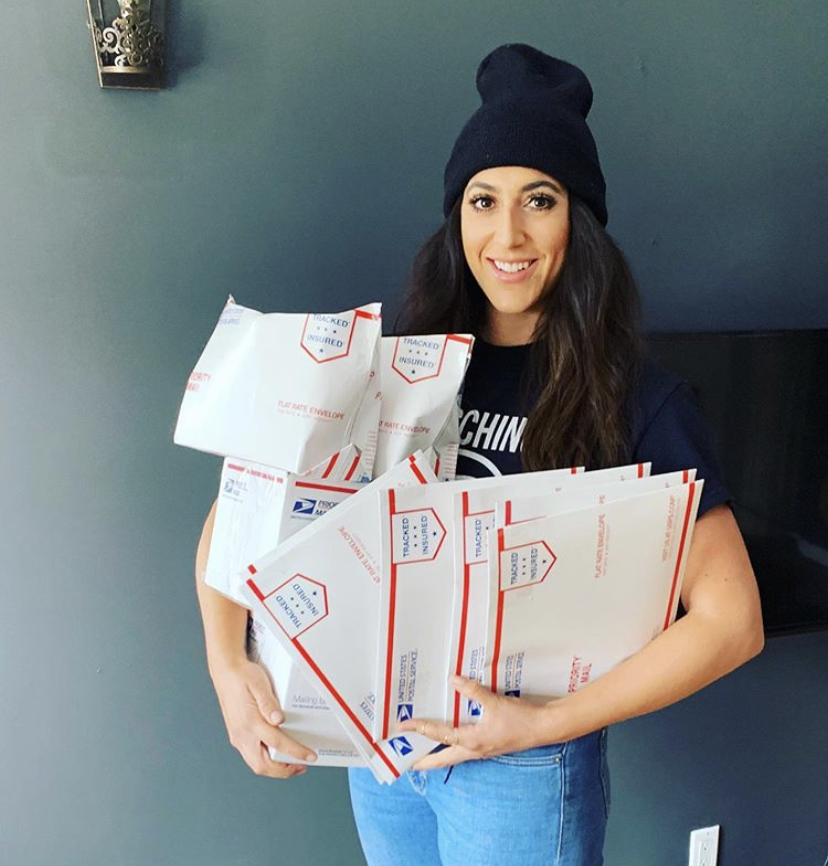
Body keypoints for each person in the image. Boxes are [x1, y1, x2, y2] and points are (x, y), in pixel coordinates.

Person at [194, 43, 765, 866]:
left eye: (540, 200)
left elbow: (732, 622)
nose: (508, 233)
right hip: (383, 752)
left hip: (522, 768)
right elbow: (237, 515)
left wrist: (544, 724)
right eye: (483, 200)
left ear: (578, 222)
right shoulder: (397, 370)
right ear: (456, 218)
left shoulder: (638, 400)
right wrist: (228, 669)